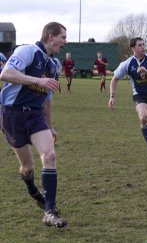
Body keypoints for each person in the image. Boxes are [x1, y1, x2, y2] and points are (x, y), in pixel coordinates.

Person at [0, 22, 68, 227]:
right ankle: (31, 189)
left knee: (50, 155)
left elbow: (47, 98)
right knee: (27, 168)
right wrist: (37, 81)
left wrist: (50, 125)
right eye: (63, 37)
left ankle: (50, 211)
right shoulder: (27, 51)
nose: (65, 42)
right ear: (50, 35)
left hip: (36, 116)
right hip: (13, 115)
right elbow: (6, 74)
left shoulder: (53, 65)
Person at [108, 37, 147, 161]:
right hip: (140, 96)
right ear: (133, 48)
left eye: (143, 44)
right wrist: (112, 96)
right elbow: (115, 78)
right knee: (143, 117)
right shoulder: (128, 63)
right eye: (140, 45)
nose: (143, 47)